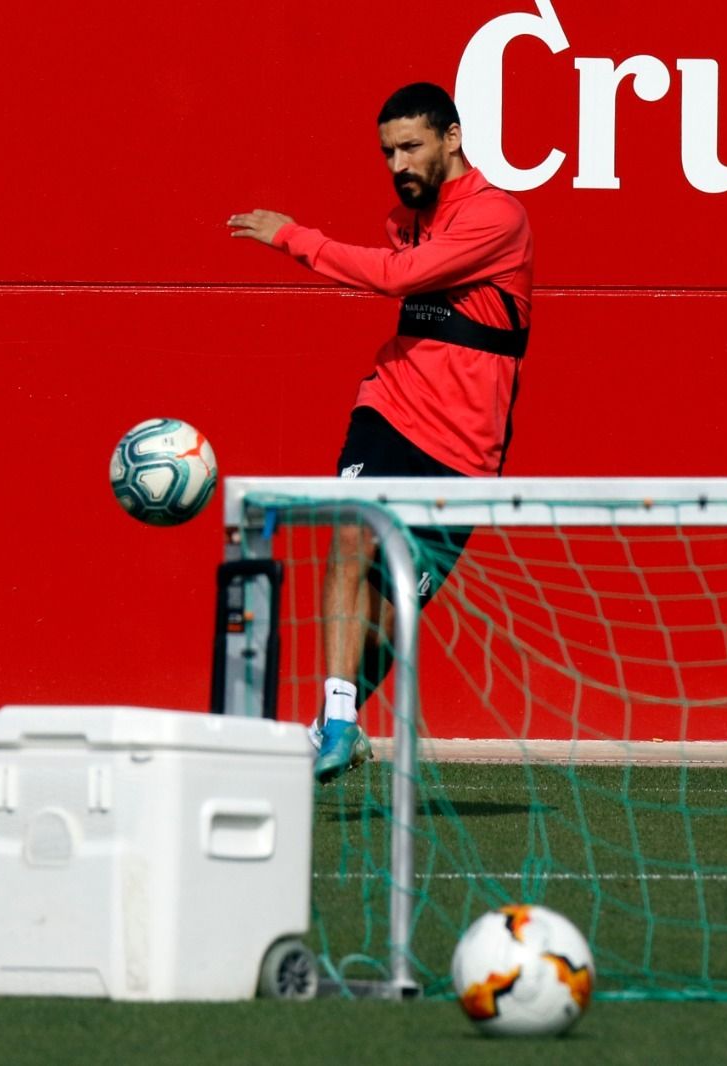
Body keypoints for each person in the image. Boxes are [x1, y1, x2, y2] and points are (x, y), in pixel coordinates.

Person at [228, 81, 534, 782]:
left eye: (411, 146)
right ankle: (336, 721)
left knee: (395, 604)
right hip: (391, 405)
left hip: (463, 445)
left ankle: (342, 721)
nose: (398, 162)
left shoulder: (497, 219)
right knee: (351, 532)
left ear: (451, 139)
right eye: (388, 151)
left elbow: (400, 278)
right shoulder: (407, 217)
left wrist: (296, 237)